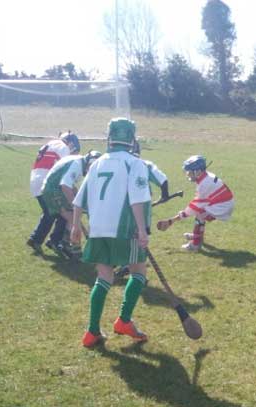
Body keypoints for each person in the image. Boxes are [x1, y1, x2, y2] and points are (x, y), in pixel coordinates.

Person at [71, 117, 152, 347]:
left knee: (104, 277)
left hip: (97, 229)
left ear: (109, 138)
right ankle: (124, 321)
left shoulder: (96, 163)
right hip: (124, 229)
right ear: (132, 139)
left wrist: (76, 226)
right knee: (139, 273)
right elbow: (137, 200)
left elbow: (79, 200)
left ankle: (92, 331)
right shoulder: (135, 163)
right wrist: (141, 230)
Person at [115, 141, 170, 279]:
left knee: (125, 238)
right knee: (139, 239)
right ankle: (135, 270)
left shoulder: (115, 163)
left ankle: (130, 268)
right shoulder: (145, 164)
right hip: (141, 209)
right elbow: (163, 180)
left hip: (118, 210)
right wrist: (164, 196)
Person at [156, 155, 234, 251]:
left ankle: (195, 244)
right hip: (221, 202)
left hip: (222, 206)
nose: (188, 174)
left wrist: (173, 220)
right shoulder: (205, 177)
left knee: (199, 213)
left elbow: (194, 207)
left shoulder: (204, 184)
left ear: (198, 171)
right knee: (200, 212)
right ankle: (198, 237)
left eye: (190, 171)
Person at [41, 150, 102, 259]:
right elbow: (65, 185)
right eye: (90, 167)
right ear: (88, 162)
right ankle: (72, 248)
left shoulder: (78, 161)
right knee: (73, 219)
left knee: (73, 217)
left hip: (55, 188)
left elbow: (71, 185)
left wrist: (79, 200)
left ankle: (63, 243)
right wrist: (75, 205)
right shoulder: (77, 165)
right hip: (52, 190)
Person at [27, 131, 81, 253]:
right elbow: (65, 171)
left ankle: (37, 239)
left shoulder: (51, 144)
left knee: (51, 212)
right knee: (62, 212)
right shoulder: (63, 148)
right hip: (46, 183)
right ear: (71, 143)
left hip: (35, 180)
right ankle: (54, 241)